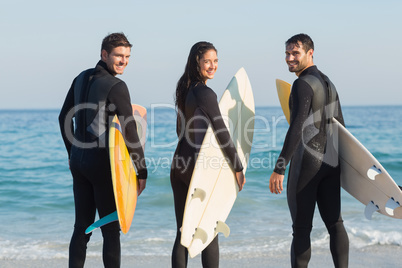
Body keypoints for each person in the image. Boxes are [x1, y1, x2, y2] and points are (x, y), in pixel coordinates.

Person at [58, 32, 148, 268]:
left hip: (78, 161)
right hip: (101, 165)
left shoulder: (80, 78)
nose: (124, 61)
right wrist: (142, 172)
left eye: (127, 56)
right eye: (119, 55)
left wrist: (71, 153)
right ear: (104, 54)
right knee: (110, 230)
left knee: (81, 228)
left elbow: (62, 118)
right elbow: (130, 132)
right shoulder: (117, 86)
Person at [269, 34, 349, 268]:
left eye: (296, 53)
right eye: (287, 53)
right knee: (335, 224)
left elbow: (297, 129)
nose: (289, 58)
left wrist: (279, 168)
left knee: (301, 230)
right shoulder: (328, 83)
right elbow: (340, 127)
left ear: (310, 53)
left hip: (307, 163)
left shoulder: (302, 84)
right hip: (330, 163)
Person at [170, 41, 246, 268]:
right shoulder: (205, 93)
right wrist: (238, 167)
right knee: (208, 229)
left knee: (184, 232)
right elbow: (222, 133)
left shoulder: (186, 90)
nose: (212, 66)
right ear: (197, 63)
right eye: (207, 61)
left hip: (179, 164)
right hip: (197, 168)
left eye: (215, 61)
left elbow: (179, 130)